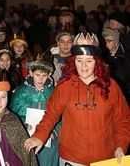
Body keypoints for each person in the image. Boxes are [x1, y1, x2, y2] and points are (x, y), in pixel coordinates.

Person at [24, 32, 130, 166]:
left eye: (89, 61)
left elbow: (123, 120)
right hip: (71, 159)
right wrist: (40, 136)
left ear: (96, 62)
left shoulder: (111, 86)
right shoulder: (65, 87)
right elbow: (51, 115)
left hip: (105, 158)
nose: (83, 66)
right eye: (79, 60)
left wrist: (121, 145)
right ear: (74, 61)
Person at [10, 60, 59, 166]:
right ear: (31, 73)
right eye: (37, 75)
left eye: (44, 75)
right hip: (27, 138)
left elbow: (61, 116)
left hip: (49, 141)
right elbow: (13, 117)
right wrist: (23, 125)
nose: (41, 79)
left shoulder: (54, 93)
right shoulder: (20, 93)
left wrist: (54, 131)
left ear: (49, 75)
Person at [102, 28, 130, 104]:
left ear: (116, 41)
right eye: (104, 40)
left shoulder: (125, 57)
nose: (106, 43)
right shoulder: (103, 56)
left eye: (109, 41)